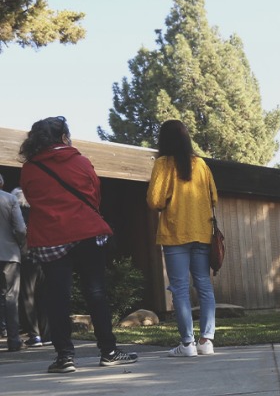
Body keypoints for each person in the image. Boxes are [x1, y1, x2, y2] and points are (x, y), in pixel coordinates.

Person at [19, 116, 138, 373]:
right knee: (95, 293)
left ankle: (65, 357)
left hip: (51, 236)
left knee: (57, 297)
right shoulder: (80, 161)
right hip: (86, 232)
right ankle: (109, 351)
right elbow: (95, 193)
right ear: (64, 137)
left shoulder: (29, 169)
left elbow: (32, 198)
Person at [146, 119, 217, 357]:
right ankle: (206, 341)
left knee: (179, 289)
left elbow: (154, 201)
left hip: (175, 233)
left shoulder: (163, 164)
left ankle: (187, 344)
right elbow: (213, 198)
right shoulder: (201, 165)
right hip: (202, 232)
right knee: (204, 286)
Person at [12, 187, 51, 347]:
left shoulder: (20, 213)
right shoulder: (40, 211)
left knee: (27, 295)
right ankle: (47, 334)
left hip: (26, 254)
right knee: (43, 295)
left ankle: (35, 335)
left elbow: (20, 231)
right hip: (43, 253)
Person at [0, 173, 27, 352]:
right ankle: (14, 340)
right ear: (1, 182)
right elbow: (20, 228)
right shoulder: (10, 199)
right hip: (9, 253)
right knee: (10, 297)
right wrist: (21, 245)